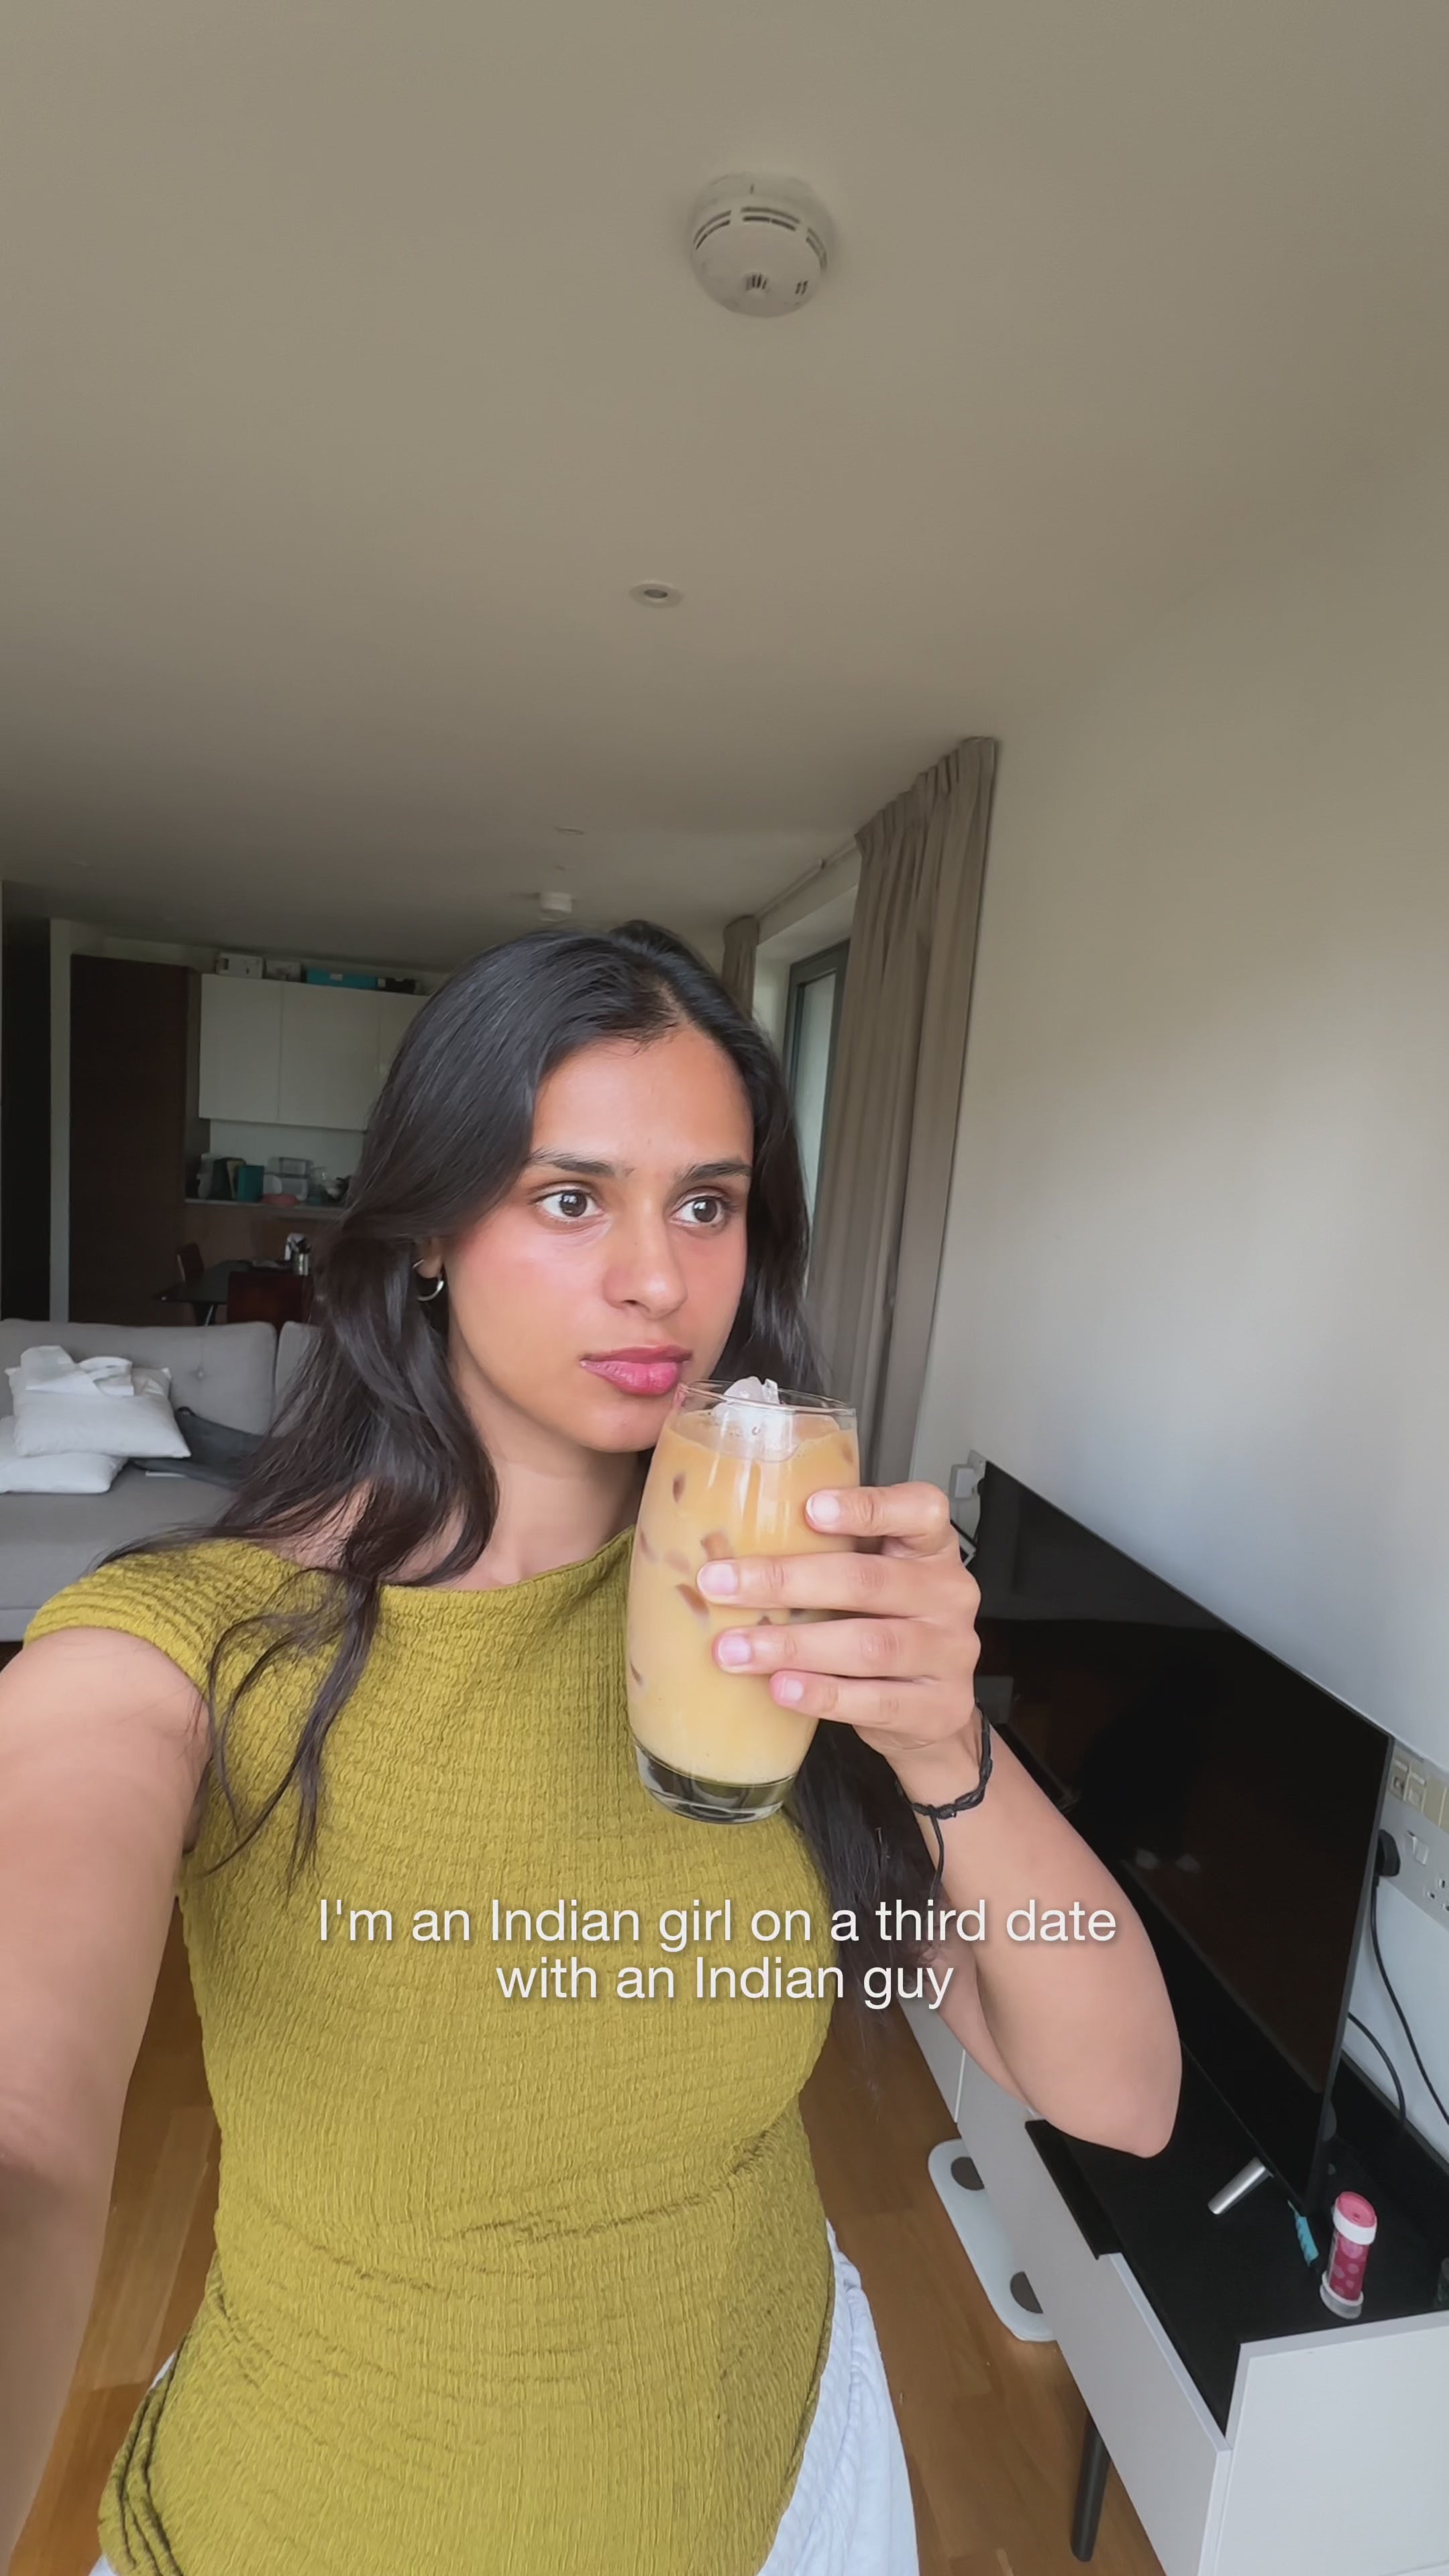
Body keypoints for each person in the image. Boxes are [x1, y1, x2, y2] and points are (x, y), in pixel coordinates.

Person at [0, 920, 1180, 2576]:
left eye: (707, 1204)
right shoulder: (185, 1648)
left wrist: (944, 1746)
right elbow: (29, 2134)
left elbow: (1121, 2099)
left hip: (797, 2485)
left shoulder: (777, 1603)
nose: (660, 1279)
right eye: (571, 1199)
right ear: (427, 1232)